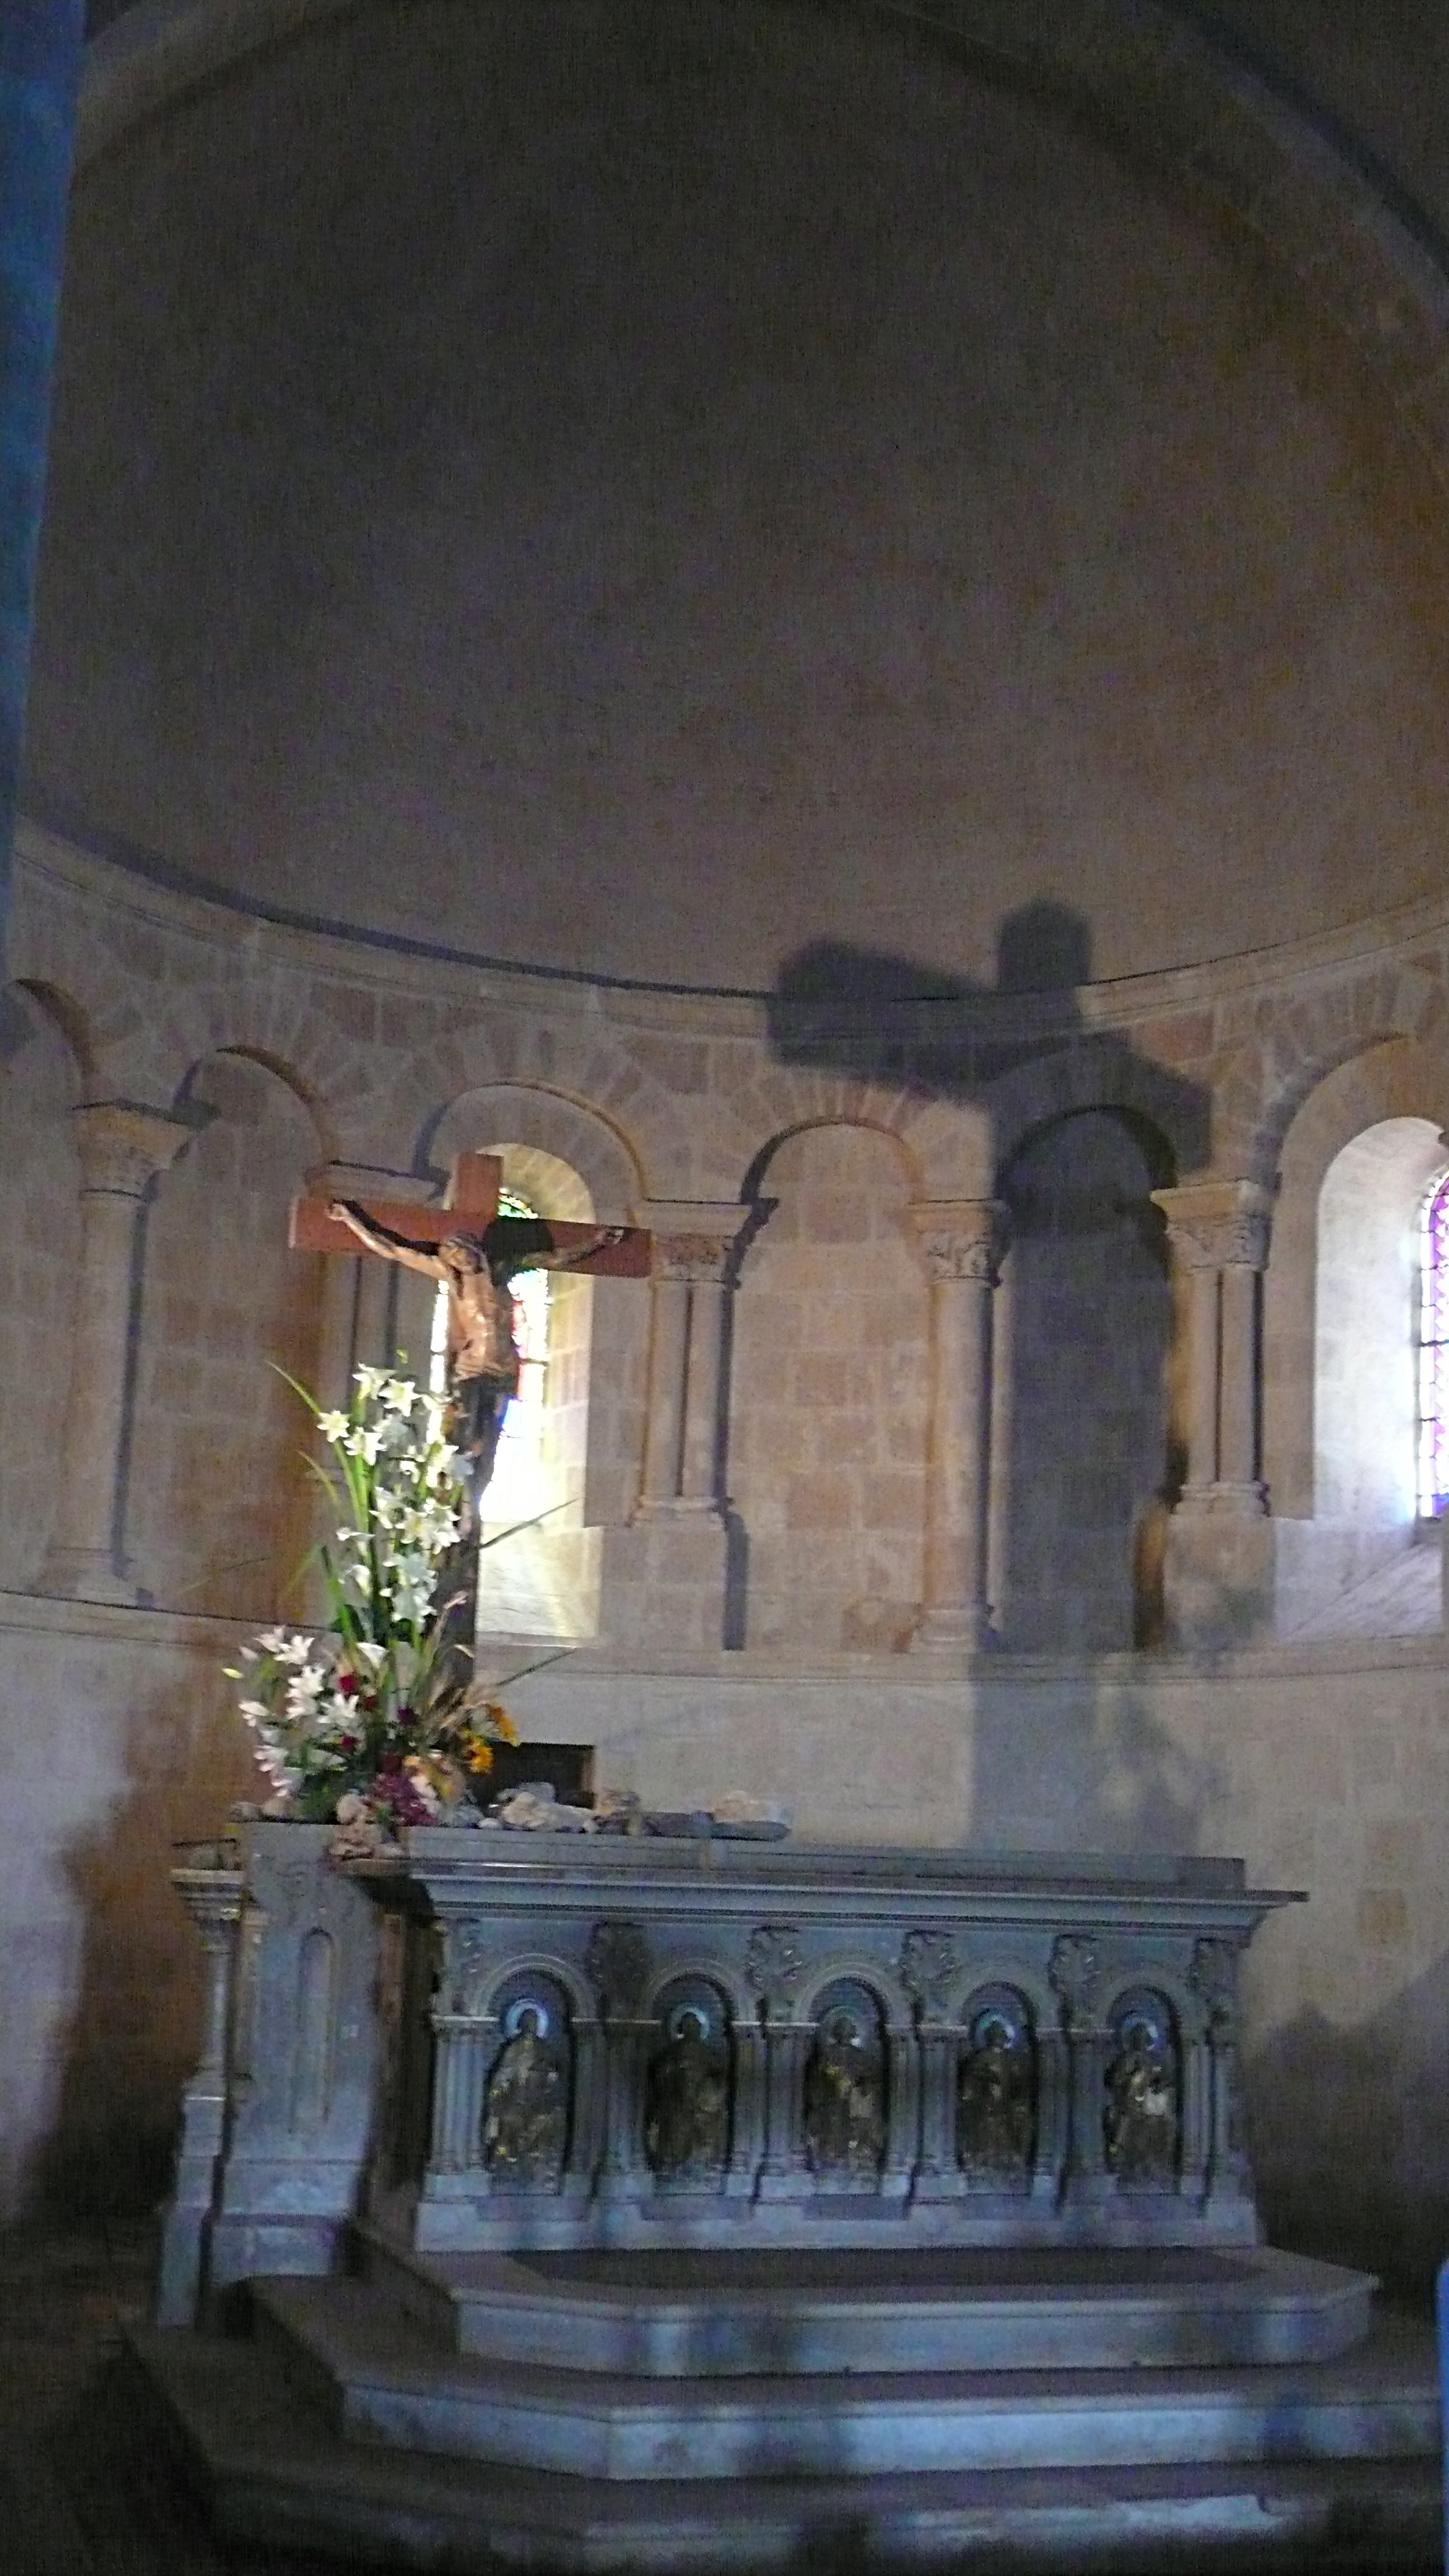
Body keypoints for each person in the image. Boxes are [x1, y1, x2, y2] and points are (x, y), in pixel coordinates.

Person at [327, 1203, 622, 1528]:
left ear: (474, 1249)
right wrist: (350, 1219)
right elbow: (392, 1249)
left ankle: (474, 1508)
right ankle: (455, 1510)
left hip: (505, 1371)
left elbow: (556, 1258)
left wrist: (596, 1243)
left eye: (463, 1251)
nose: (460, 1259)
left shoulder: (505, 1270)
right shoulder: (453, 1281)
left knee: (490, 1446)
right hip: (472, 1372)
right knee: (463, 1443)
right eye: (452, 1256)